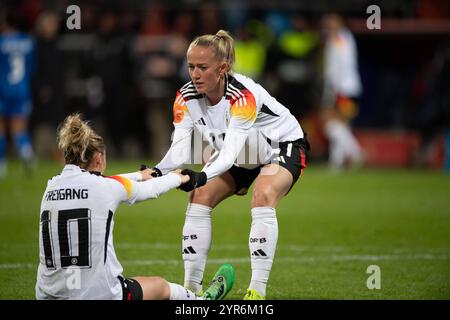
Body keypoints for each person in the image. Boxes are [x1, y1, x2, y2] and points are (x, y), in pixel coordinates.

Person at [147, 30, 309, 300]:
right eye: (190, 67)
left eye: (203, 67)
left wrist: (200, 175)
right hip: (243, 150)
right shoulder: (185, 97)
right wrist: (157, 171)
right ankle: (191, 291)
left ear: (222, 69)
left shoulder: (243, 96)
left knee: (262, 195)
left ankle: (256, 293)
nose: (195, 74)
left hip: (280, 145)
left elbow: (229, 153)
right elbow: (179, 149)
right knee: (200, 196)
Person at [35, 113, 234, 300]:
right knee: (161, 286)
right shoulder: (106, 188)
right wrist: (179, 177)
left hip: (48, 294)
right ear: (98, 159)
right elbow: (150, 190)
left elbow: (104, 183)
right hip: (98, 294)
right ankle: (201, 301)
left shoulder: (50, 186)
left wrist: (139, 175)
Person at [320, 13, 364, 169]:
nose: (327, 26)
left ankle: (355, 151)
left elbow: (342, 65)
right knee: (340, 125)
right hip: (342, 87)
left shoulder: (340, 39)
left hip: (343, 88)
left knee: (330, 124)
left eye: (330, 23)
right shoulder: (338, 38)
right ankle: (336, 160)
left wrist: (336, 89)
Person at [0, 10, 36, 178]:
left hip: (2, 88)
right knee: (19, 128)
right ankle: (27, 154)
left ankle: (1, 165)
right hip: (22, 89)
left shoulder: (1, 42)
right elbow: (32, 68)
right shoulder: (28, 42)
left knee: (1, 128)